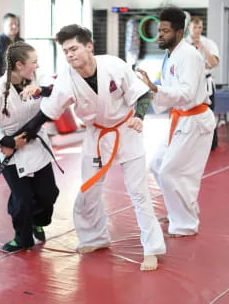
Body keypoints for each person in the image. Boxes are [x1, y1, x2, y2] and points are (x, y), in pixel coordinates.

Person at [20, 25, 166, 271]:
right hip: (97, 135)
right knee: (89, 191)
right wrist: (21, 136)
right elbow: (48, 110)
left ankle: (151, 249)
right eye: (65, 51)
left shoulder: (114, 65)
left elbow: (141, 95)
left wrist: (140, 117)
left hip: (127, 130)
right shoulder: (68, 76)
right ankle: (95, 238)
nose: (69, 55)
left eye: (74, 48)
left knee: (139, 192)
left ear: (89, 46)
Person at [137, 7, 216, 238]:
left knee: (173, 171)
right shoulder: (170, 54)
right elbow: (168, 91)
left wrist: (156, 88)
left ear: (179, 32)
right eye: (159, 30)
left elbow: (188, 93)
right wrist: (151, 90)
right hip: (180, 118)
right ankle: (178, 212)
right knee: (157, 165)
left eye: (165, 31)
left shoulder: (189, 55)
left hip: (194, 119)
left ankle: (185, 224)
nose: (159, 35)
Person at [0, 42, 59, 252]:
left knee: (49, 194)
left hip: (36, 143)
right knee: (22, 200)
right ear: (20, 65)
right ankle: (22, 238)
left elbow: (56, 92)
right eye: (34, 62)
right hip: (9, 150)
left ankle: (37, 220)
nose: (37, 66)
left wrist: (43, 90)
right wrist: (8, 142)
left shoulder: (37, 80)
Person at [185, 16, 220, 150]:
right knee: (189, 113)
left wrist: (203, 48)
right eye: (195, 27)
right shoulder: (183, 44)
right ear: (189, 28)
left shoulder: (209, 43)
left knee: (209, 114)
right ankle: (190, 142)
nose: (197, 30)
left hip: (206, 84)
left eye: (200, 27)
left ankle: (211, 143)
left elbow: (214, 63)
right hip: (189, 84)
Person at [0, 13, 23, 85]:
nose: (14, 26)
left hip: (17, 83)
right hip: (0, 83)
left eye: (16, 24)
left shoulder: (21, 42)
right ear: (4, 25)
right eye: (11, 24)